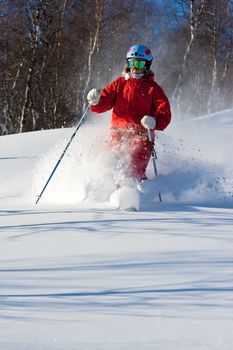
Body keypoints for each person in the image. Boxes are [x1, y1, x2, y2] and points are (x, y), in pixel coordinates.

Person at [87, 44, 171, 186]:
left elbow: (165, 113)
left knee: (134, 170)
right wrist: (95, 101)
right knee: (110, 164)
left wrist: (154, 122)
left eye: (139, 63)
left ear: (147, 65)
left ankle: (134, 197)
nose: (135, 67)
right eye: (132, 63)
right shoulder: (120, 83)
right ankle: (102, 192)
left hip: (141, 136)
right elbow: (104, 103)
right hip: (118, 134)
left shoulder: (153, 89)